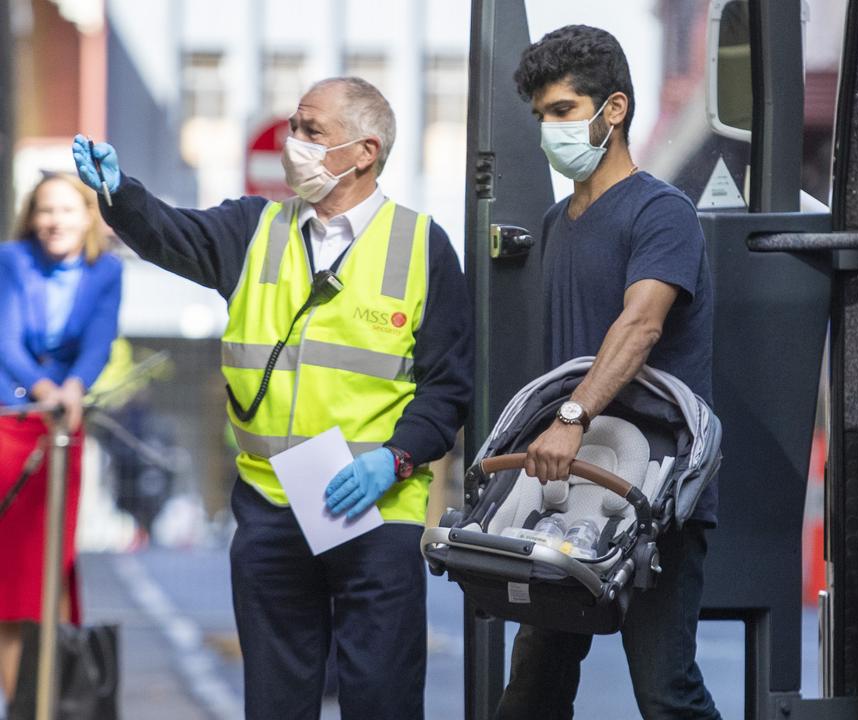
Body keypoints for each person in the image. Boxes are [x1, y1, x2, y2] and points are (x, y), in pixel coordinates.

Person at [71, 76, 472, 720]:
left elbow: (448, 387)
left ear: (365, 151)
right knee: (276, 702)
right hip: (271, 510)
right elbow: (173, 234)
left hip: (377, 512)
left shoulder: (423, 245)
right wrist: (121, 193)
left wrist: (394, 459)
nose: (294, 144)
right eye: (294, 127)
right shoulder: (254, 228)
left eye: (312, 132)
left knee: (383, 699)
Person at [494, 26, 720, 720]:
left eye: (563, 111)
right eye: (542, 117)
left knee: (665, 694)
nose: (550, 131)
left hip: (652, 495)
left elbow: (640, 327)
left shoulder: (661, 212)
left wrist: (570, 420)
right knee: (533, 689)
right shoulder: (559, 222)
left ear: (612, 109)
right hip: (568, 492)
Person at [0, 173, 123, 700]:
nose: (55, 222)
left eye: (67, 211)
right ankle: (16, 697)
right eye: (45, 211)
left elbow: (99, 342)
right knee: (10, 578)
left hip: (61, 431)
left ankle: (45, 698)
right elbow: (5, 341)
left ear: (89, 216)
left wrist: (72, 389)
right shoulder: (10, 261)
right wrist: (47, 387)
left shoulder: (107, 271)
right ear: (31, 216)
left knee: (52, 570)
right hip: (9, 423)